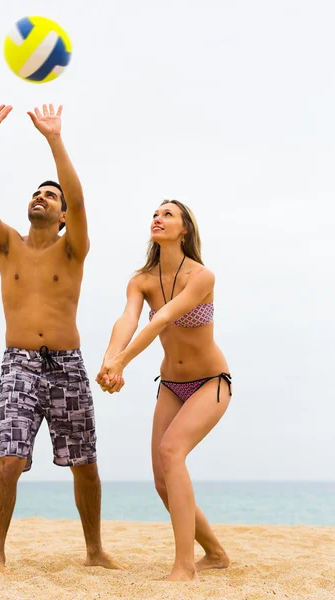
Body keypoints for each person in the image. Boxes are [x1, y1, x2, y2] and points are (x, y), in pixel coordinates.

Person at [0, 103, 121, 573]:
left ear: (64, 215)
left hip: (67, 364)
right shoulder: (7, 243)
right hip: (20, 363)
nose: (42, 197)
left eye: (51, 196)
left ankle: (93, 551)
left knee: (84, 463)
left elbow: (80, 197)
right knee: (9, 458)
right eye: (36, 193)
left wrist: (54, 139)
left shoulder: (73, 250)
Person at [96, 200, 232, 582]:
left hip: (211, 383)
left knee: (172, 452)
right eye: (156, 214)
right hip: (171, 385)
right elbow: (127, 319)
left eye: (168, 214)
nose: (159, 218)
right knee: (161, 479)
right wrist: (110, 359)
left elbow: (165, 318)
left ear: (185, 228)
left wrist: (123, 362)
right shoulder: (141, 279)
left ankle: (185, 568)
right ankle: (216, 553)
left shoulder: (201, 276)